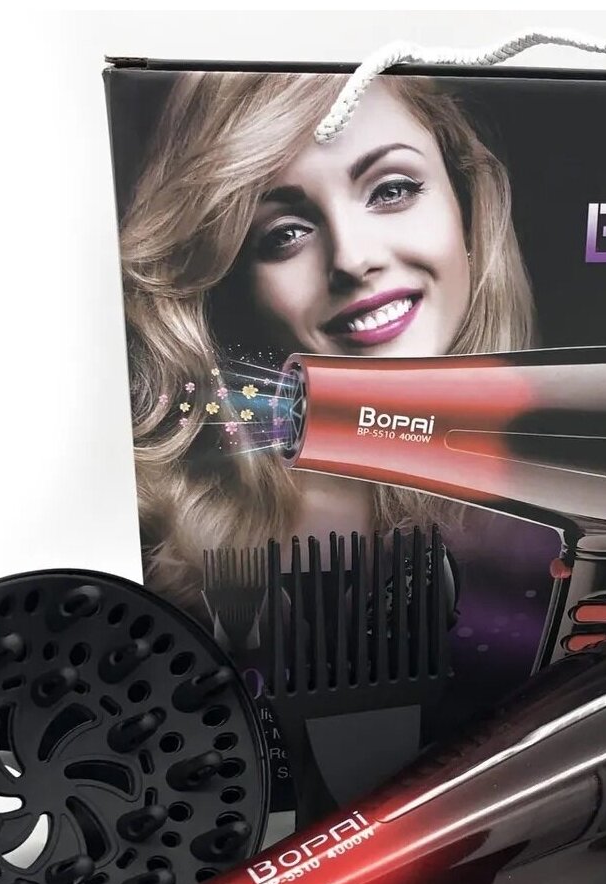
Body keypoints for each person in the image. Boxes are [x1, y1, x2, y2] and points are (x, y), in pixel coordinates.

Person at [119, 71, 536, 609]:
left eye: (391, 191)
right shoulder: (173, 556)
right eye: (285, 234)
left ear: (468, 209)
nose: (352, 259)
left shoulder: (548, 493)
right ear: (228, 286)